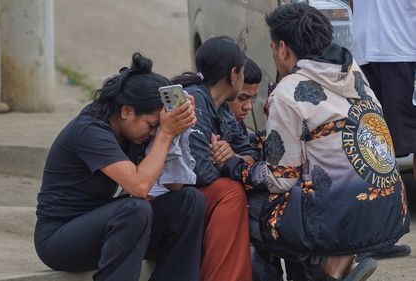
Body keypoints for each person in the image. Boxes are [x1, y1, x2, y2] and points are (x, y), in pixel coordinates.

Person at [222, 3, 410, 280]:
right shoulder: (352, 69)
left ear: (283, 48)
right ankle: (331, 264)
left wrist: (236, 167)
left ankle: (325, 262)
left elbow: (280, 178)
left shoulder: (288, 91)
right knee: (304, 189)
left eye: (273, 47)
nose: (273, 54)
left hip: (338, 220)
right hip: (389, 210)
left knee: (255, 207)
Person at [34, 52, 205, 281]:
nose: (152, 132)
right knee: (135, 208)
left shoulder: (133, 133)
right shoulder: (90, 130)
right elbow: (140, 186)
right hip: (59, 238)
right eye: (151, 125)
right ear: (127, 111)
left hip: (104, 224)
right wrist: (165, 133)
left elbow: (175, 185)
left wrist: (175, 132)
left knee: (190, 201)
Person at [172, 36, 260, 281]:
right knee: (231, 191)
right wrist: (227, 164)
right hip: (174, 196)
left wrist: (232, 156)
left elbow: (252, 153)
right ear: (234, 75)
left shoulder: (222, 107)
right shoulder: (194, 101)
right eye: (242, 72)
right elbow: (200, 172)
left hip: (201, 195)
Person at [348, 0, 415, 260]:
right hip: (377, 51)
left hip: (397, 50)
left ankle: (380, 234)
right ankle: (379, 236)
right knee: (372, 144)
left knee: (402, 141)